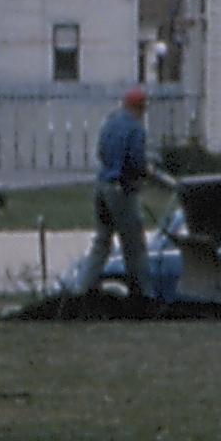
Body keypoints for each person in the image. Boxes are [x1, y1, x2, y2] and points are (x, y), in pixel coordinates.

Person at [74, 84, 156, 299]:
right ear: (140, 108)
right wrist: (146, 172)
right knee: (134, 246)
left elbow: (101, 152)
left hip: (102, 186)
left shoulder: (110, 123)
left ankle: (79, 290)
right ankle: (144, 296)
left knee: (101, 242)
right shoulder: (135, 129)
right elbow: (136, 161)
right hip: (122, 190)